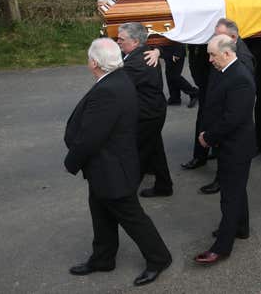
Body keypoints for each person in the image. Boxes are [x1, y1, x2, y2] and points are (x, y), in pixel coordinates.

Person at [64, 38, 171, 286]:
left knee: (132, 217)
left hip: (112, 168)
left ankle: (159, 258)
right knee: (100, 213)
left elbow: (92, 136)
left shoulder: (108, 90)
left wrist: (72, 161)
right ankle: (103, 258)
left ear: (94, 63)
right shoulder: (118, 79)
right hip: (105, 167)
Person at [194, 35, 257, 266]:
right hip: (228, 144)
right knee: (237, 189)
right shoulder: (225, 71)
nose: (209, 59)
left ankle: (222, 247)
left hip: (236, 147)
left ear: (228, 53)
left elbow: (233, 119)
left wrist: (208, 137)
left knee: (230, 196)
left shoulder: (240, 78)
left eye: (212, 54)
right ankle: (241, 227)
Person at [177, 19, 254, 176]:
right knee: (205, 127)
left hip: (224, 111)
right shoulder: (219, 51)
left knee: (226, 154)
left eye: (218, 36)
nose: (213, 39)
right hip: (209, 97)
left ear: (232, 38)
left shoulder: (242, 59)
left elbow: (234, 111)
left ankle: (220, 178)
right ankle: (200, 156)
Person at [117, 23, 173, 198]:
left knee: (138, 154)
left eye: (121, 39)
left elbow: (117, 87)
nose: (117, 41)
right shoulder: (143, 52)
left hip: (147, 115)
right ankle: (164, 186)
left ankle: (125, 195)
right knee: (155, 149)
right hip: (154, 110)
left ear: (134, 42)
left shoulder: (136, 63)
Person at [160, 42, 199, 107]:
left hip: (176, 50)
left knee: (175, 76)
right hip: (168, 51)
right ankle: (174, 98)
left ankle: (194, 92)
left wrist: (177, 52)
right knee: (169, 75)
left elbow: (179, 36)